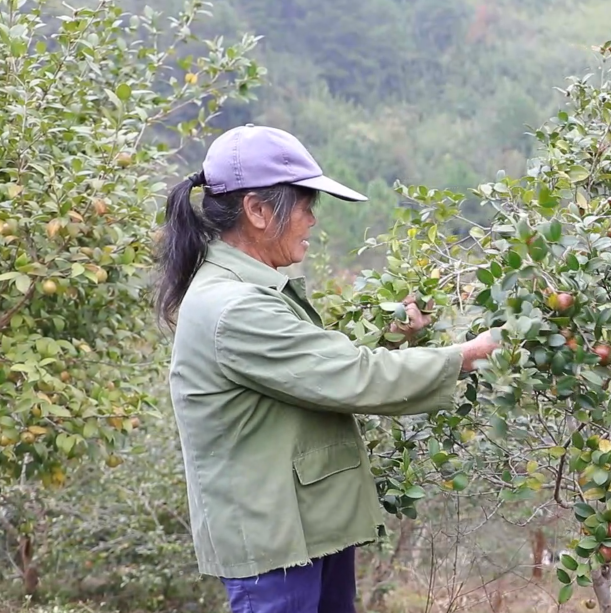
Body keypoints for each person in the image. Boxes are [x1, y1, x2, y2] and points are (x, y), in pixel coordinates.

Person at [154, 124, 499, 613]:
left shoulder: (248, 292)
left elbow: (311, 362)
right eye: (304, 204)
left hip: (303, 528)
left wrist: (394, 328)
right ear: (255, 210)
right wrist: (470, 354)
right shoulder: (235, 307)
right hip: (274, 542)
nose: (312, 219)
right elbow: (351, 376)